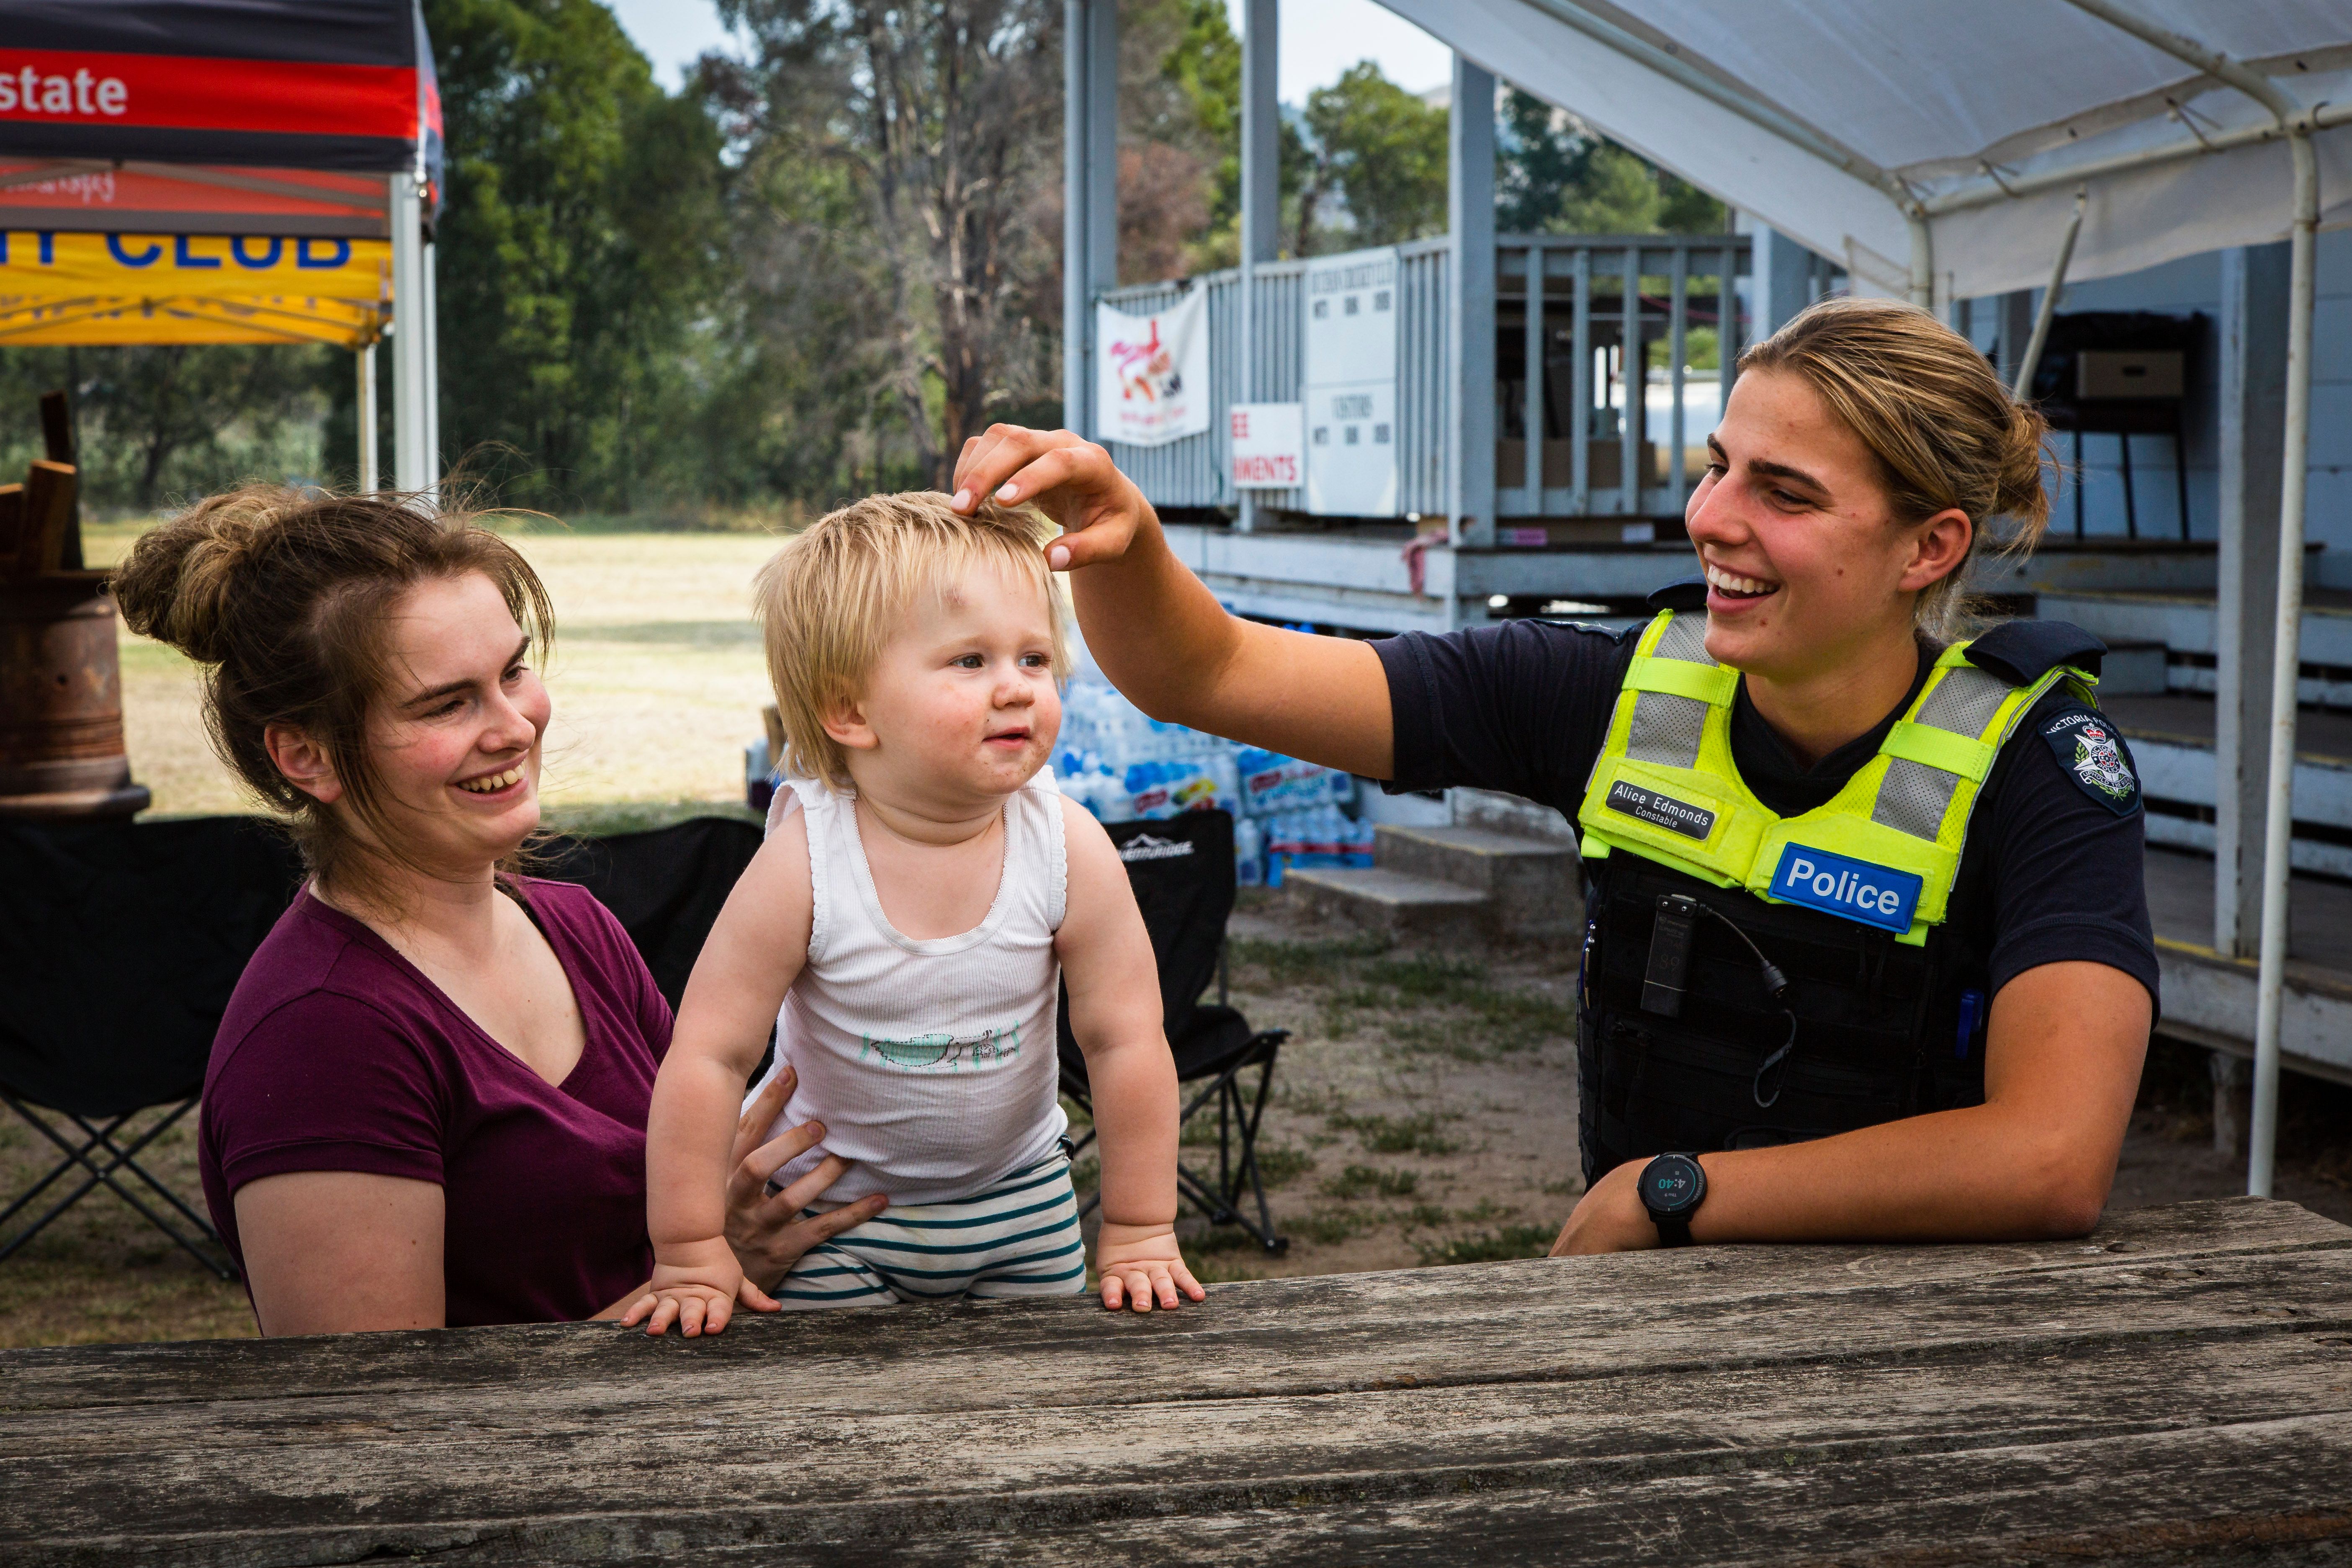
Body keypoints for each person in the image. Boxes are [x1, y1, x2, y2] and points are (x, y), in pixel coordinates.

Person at [947, 297, 2158, 1254]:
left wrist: (1675, 1193)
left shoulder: (2039, 767)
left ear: (1930, 546)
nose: (1711, 517)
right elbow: (1207, 673)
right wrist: (1123, 537)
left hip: (1933, 1352)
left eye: (1783, 493)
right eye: (1718, 464)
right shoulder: (1599, 692)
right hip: (1647, 1329)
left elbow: (2050, 1157)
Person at [112, 487, 884, 1333]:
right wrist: (725, 1256)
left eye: (513, 670)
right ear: (308, 755)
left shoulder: (576, 926)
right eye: (448, 702)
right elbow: (379, 1423)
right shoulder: (322, 1038)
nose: (515, 725)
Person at [626, 492, 1202, 1336]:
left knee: (1038, 1410)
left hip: (1022, 1202)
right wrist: (687, 1245)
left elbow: (1126, 1040)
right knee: (844, 1420)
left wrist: (1140, 1225)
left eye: (1035, 658)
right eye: (970, 661)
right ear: (850, 710)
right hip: (836, 1212)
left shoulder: (1066, 844)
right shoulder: (805, 861)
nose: (1015, 687)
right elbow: (710, 1053)